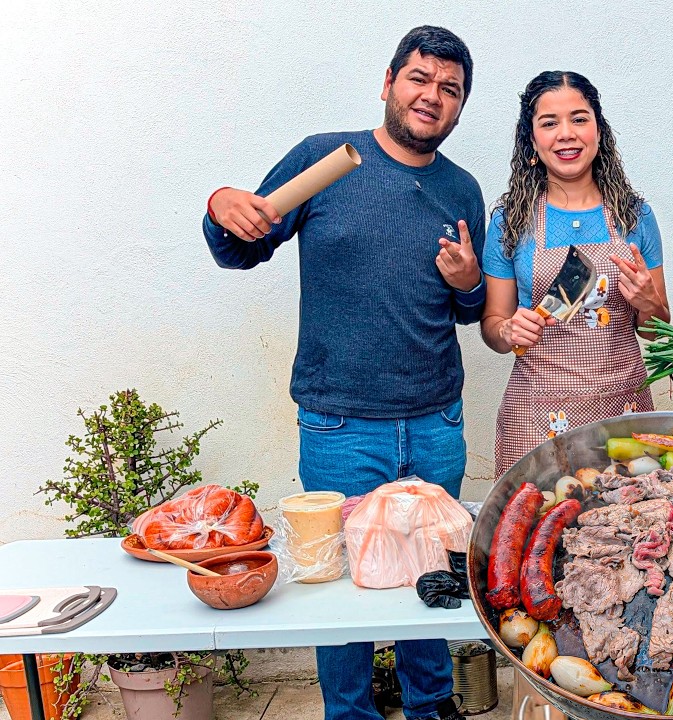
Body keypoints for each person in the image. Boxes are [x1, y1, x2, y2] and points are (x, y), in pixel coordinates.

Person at [201, 26, 482, 720]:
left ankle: (431, 707)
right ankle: (349, 713)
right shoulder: (323, 159)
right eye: (420, 78)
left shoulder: (462, 189)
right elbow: (242, 247)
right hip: (338, 425)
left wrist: (470, 280)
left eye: (450, 89)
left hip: (434, 422)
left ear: (459, 107)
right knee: (336, 594)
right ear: (389, 83)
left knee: (434, 584)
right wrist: (219, 207)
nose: (432, 96)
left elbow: (472, 309)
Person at [481, 71, 668, 476]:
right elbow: (493, 327)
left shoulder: (635, 217)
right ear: (532, 141)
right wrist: (508, 331)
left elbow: (656, 330)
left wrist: (648, 304)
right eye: (549, 123)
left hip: (623, 409)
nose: (566, 133)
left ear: (599, 131)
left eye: (579, 119)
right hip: (537, 415)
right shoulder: (510, 222)